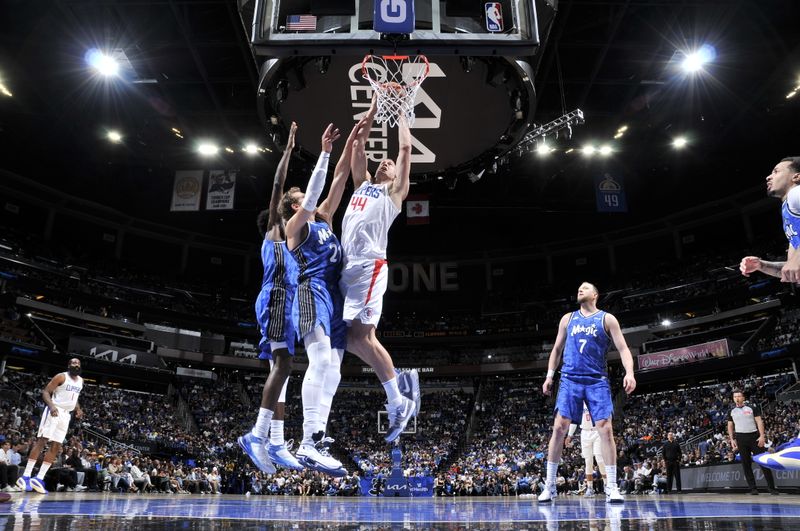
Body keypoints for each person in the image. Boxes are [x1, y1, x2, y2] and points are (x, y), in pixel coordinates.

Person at [283, 121, 362, 475]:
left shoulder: (325, 218)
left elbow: (341, 177)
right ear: (295, 209)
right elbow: (316, 192)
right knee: (318, 360)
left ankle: (318, 437)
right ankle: (306, 440)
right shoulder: (295, 229)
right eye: (302, 202)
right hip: (311, 290)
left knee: (334, 369)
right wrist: (324, 154)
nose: (310, 204)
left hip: (335, 295)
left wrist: (354, 139)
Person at [341, 97, 419, 442]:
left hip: (369, 267)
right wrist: (372, 111)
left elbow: (403, 149)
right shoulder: (362, 186)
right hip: (347, 267)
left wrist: (401, 112)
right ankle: (397, 397)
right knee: (347, 339)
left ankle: (397, 400)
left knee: (363, 337)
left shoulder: (395, 193)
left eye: (389, 164)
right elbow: (359, 146)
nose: (385, 162)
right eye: (381, 161)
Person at [238, 121, 304, 474]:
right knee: (284, 365)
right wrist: (289, 149)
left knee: (283, 373)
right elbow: (278, 186)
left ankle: (276, 442)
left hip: (284, 303)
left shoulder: (290, 249)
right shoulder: (274, 233)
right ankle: (257, 435)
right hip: (275, 299)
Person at [539, 282, 636, 503]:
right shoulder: (568, 318)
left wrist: (629, 372)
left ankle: (611, 486)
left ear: (595, 294)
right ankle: (550, 485)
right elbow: (556, 349)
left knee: (606, 429)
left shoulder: (607, 319)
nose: (579, 290)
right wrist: (549, 376)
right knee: (559, 428)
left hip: (596, 380)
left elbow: (623, 348)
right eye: (578, 288)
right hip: (570, 379)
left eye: (585, 288)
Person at [17, 358, 84, 494]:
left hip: (66, 415)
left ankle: (39, 478)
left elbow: (74, 397)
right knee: (42, 441)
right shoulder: (61, 376)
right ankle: (26, 476)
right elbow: (46, 392)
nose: (75, 365)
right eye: (73, 363)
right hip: (54, 410)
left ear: (80, 366)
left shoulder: (81, 381)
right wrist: (52, 406)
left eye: (77, 363)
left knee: (56, 446)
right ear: (68, 365)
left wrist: (78, 408)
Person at [740, 157, 800, 284]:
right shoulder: (789, 209)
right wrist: (761, 265)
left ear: (796, 177)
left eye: (776, 171)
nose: (768, 177)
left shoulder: (796, 193)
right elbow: (791, 270)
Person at [727, 389, 779, 495]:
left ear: (743, 398)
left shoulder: (752, 407)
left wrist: (762, 436)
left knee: (762, 461)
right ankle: (753, 488)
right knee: (746, 464)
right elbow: (730, 426)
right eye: (734, 396)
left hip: (754, 437)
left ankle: (771, 487)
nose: (736, 398)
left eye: (738, 396)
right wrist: (732, 439)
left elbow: (759, 421)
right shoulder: (731, 411)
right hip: (741, 438)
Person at [565, 402, 606, 497]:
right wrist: (569, 435)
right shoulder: (578, 403)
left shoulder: (595, 399)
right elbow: (574, 421)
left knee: (600, 459)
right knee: (588, 461)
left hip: (597, 431)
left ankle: (607, 485)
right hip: (584, 433)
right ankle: (590, 488)